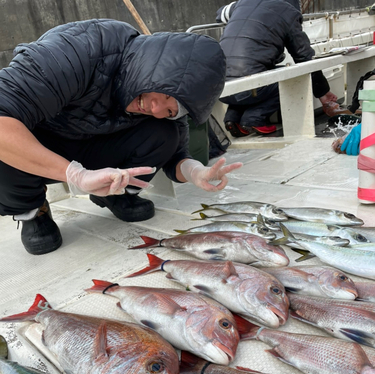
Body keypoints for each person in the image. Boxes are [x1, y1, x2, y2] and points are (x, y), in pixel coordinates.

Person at [0, 19, 243, 255]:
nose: (157, 109)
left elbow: (175, 152)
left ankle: (118, 194)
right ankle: (33, 212)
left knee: (164, 133)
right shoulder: (79, 49)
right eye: (166, 93)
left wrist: (194, 171)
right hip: (42, 148)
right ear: (159, 66)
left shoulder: (164, 109)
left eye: (171, 110)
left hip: (93, 144)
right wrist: (76, 175)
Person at [215, 0, 339, 137]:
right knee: (293, 77)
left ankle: (232, 119)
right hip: (250, 88)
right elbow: (304, 58)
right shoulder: (288, 12)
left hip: (220, 86)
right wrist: (322, 92)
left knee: (246, 76)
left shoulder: (241, 3)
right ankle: (254, 118)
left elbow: (220, 13)